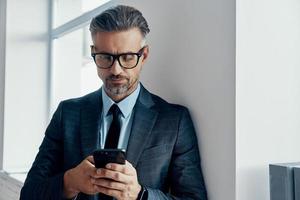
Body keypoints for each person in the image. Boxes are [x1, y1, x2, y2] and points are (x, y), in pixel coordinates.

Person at [20, 5, 207, 200]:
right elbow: (29, 194)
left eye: (127, 57)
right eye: (106, 57)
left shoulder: (174, 121)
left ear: (144, 55)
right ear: (93, 53)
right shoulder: (67, 113)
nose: (116, 70)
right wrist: (70, 182)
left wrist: (140, 195)